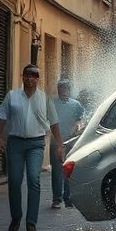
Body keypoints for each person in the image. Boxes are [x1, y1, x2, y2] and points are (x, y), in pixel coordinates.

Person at [0, 64, 64, 231]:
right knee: (14, 181)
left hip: (36, 144)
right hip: (16, 143)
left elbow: (54, 122)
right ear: (22, 77)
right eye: (27, 75)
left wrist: (59, 145)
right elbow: (1, 116)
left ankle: (31, 223)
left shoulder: (44, 98)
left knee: (34, 179)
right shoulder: (12, 96)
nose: (30, 78)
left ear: (37, 79)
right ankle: (16, 217)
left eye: (34, 75)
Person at [50, 79, 85, 208]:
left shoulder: (76, 105)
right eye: (60, 88)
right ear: (58, 89)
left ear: (69, 90)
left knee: (69, 170)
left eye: (65, 88)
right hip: (56, 142)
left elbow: (80, 121)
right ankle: (57, 199)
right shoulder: (52, 103)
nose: (63, 90)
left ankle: (68, 198)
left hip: (70, 142)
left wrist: (76, 128)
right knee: (57, 170)